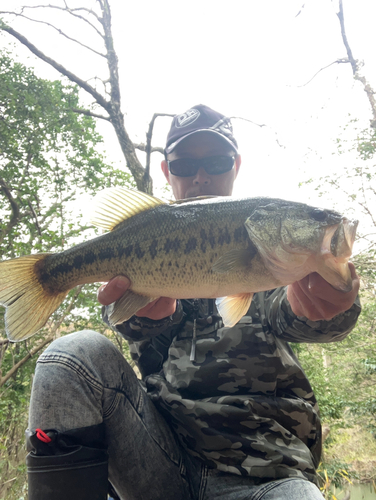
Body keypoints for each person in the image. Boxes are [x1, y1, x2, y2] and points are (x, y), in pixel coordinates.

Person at [26, 104, 361, 500]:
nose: (200, 177)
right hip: (158, 460)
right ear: (167, 172)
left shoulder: (279, 264)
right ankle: (43, 275)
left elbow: (301, 317)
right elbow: (135, 331)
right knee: (71, 354)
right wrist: (148, 317)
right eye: (184, 166)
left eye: (217, 161)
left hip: (267, 473)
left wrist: (336, 301)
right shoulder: (146, 234)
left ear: (235, 165)